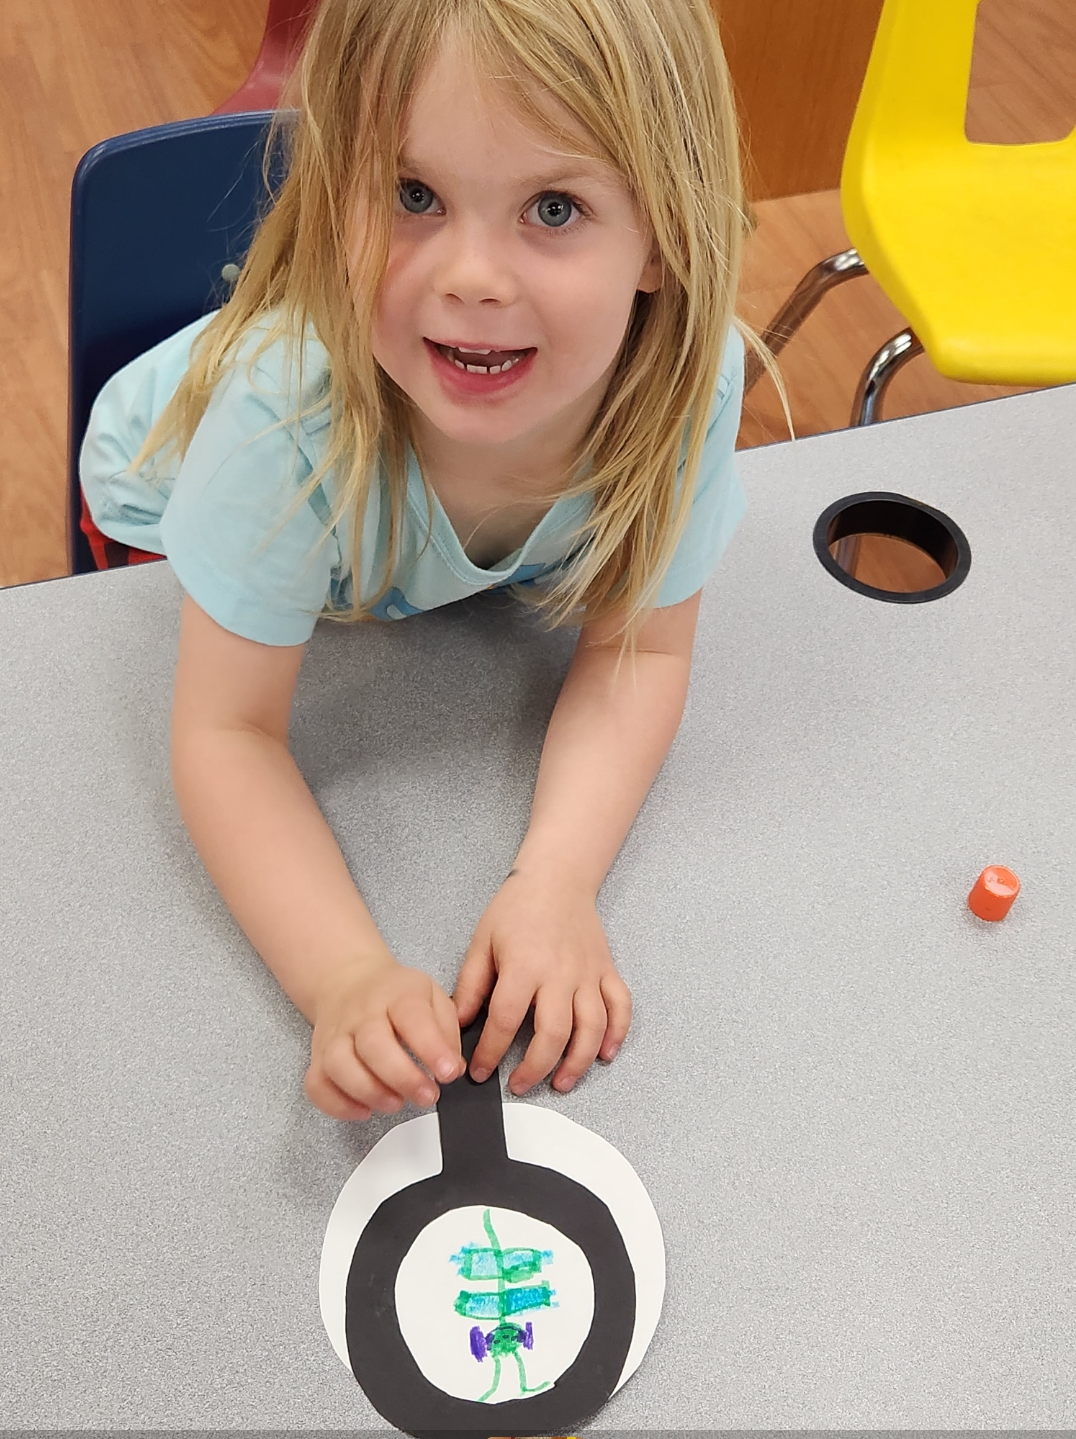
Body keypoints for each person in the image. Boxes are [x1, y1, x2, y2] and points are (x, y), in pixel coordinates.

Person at [80, 0, 759, 1122]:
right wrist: (343, 971)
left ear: (666, 237)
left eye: (553, 207)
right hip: (159, 495)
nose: (471, 277)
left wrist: (555, 880)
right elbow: (225, 730)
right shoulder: (279, 415)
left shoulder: (692, 382)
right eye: (412, 195)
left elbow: (637, 650)